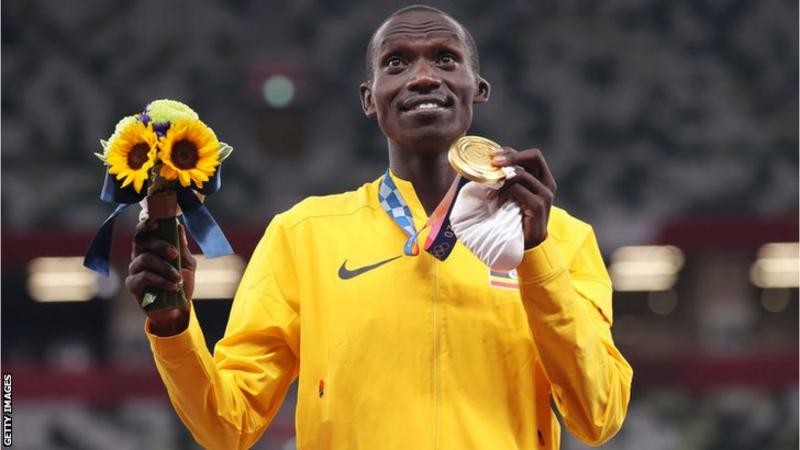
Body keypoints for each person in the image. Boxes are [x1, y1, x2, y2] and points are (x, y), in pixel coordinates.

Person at [126, 5, 633, 450]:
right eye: (397, 62)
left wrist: (537, 254)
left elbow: (599, 416)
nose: (422, 77)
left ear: (477, 90)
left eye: (445, 59)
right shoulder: (304, 235)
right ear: (370, 98)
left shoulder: (563, 239)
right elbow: (227, 426)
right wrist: (173, 327)